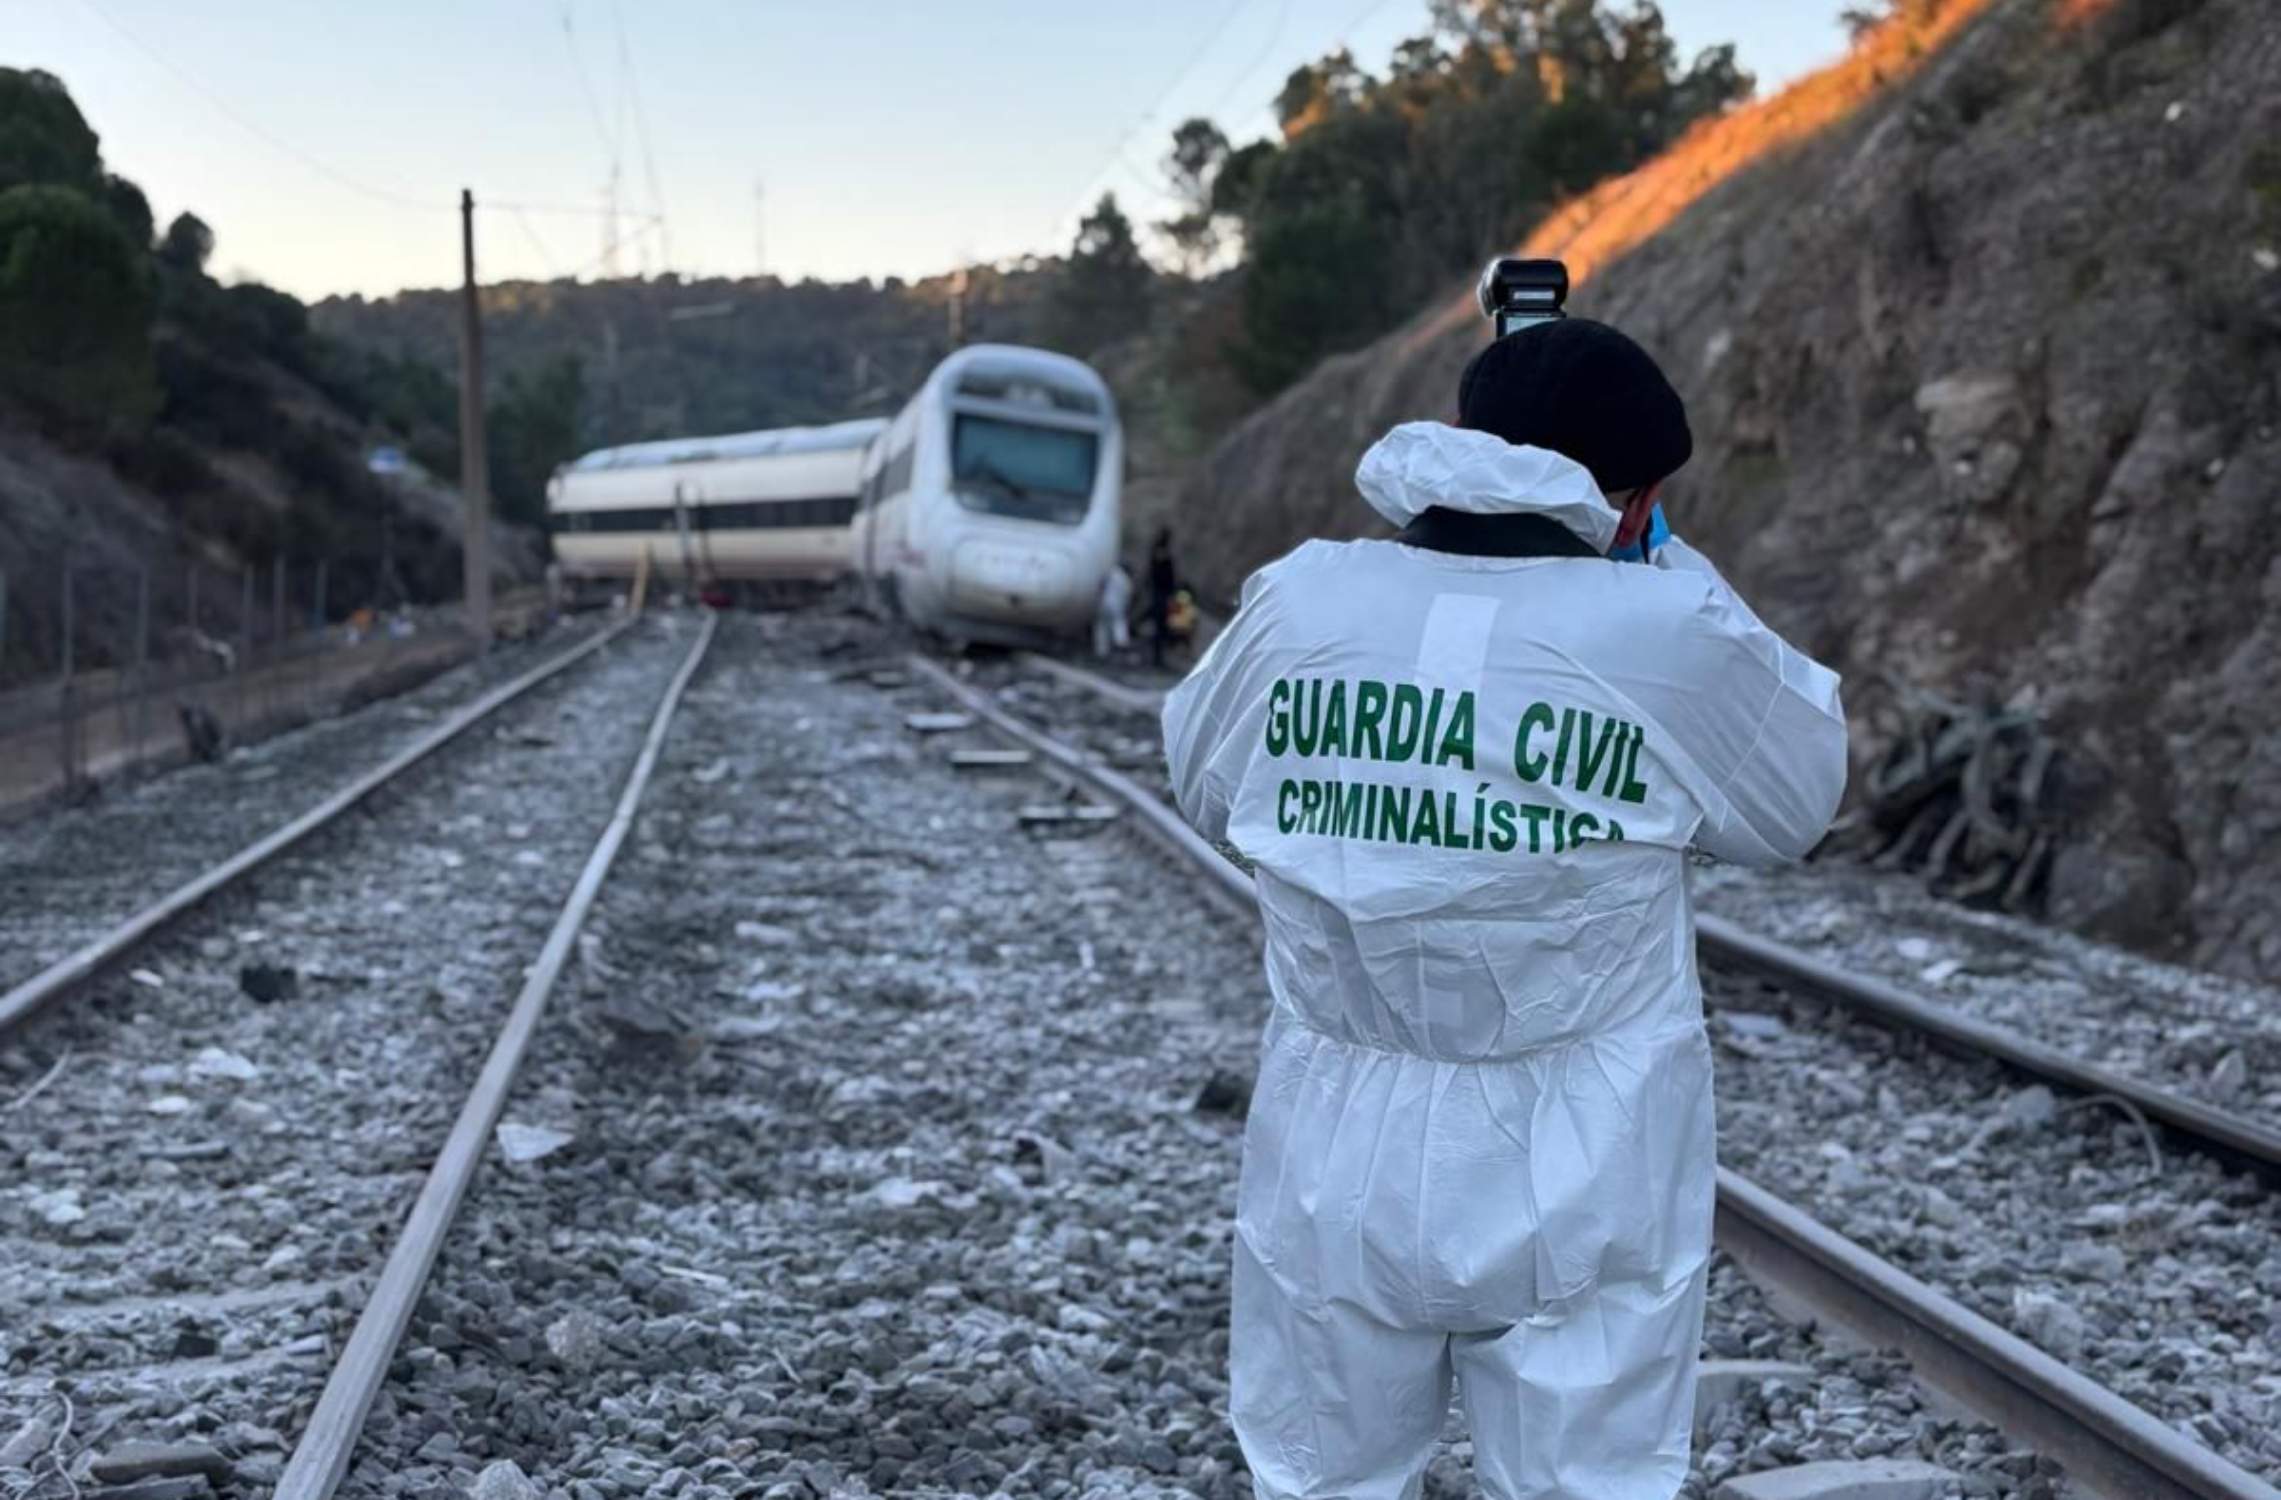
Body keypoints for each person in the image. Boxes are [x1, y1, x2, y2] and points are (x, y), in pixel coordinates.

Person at [1161, 318, 1848, 1500]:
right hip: (1585, 1150)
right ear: (1637, 503)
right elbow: (1795, 804)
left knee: (1321, 1476)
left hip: (1337, 1135)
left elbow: (1200, 775)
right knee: (1587, 1481)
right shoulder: (1667, 632)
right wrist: (1668, 570)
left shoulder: (1298, 602)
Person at [1147, 526, 1179, 667]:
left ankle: (1158, 657)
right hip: (1162, 594)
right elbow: (1166, 577)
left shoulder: (1156, 553)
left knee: (1160, 627)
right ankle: (1157, 658)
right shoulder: (1162, 555)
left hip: (1158, 593)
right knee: (1161, 628)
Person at [1094, 561, 1134, 659]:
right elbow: (1127, 598)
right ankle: (1121, 643)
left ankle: (1101, 651)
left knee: (1102, 627)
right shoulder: (1127, 582)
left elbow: (1101, 585)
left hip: (1104, 603)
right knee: (1118, 624)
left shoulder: (1111, 573)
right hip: (1117, 606)